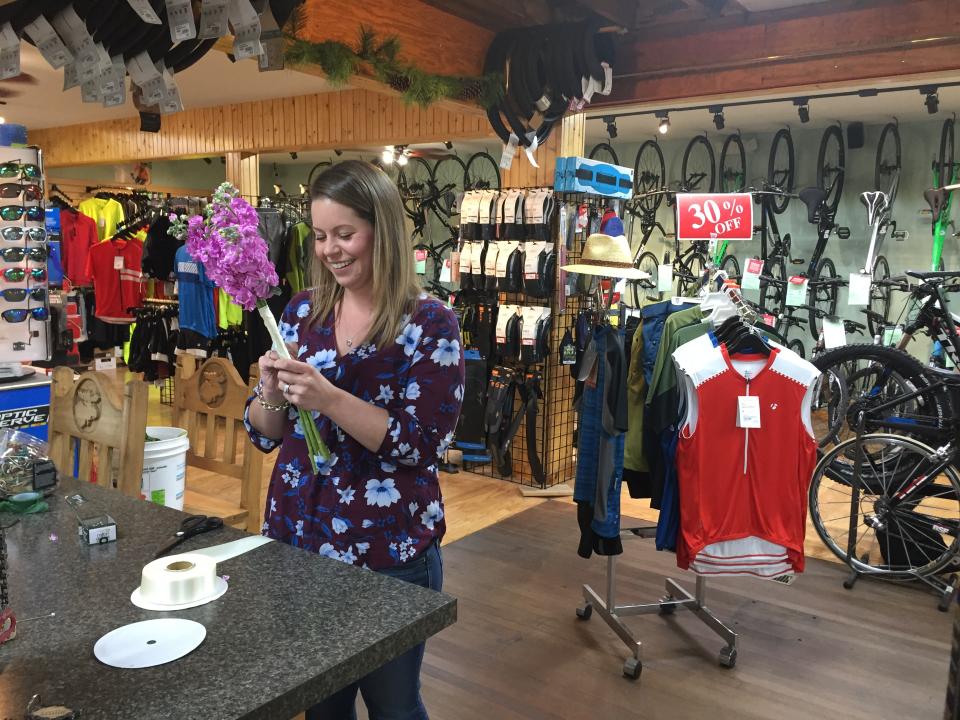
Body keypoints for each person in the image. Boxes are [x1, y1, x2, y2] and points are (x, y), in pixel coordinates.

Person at [243, 160, 465, 720]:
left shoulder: (430, 324)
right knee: (320, 707)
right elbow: (267, 435)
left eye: (345, 234)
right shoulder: (302, 311)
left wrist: (329, 399)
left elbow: (420, 444)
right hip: (299, 541)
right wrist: (269, 390)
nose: (330, 250)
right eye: (320, 236)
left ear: (382, 230)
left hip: (387, 550)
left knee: (393, 707)